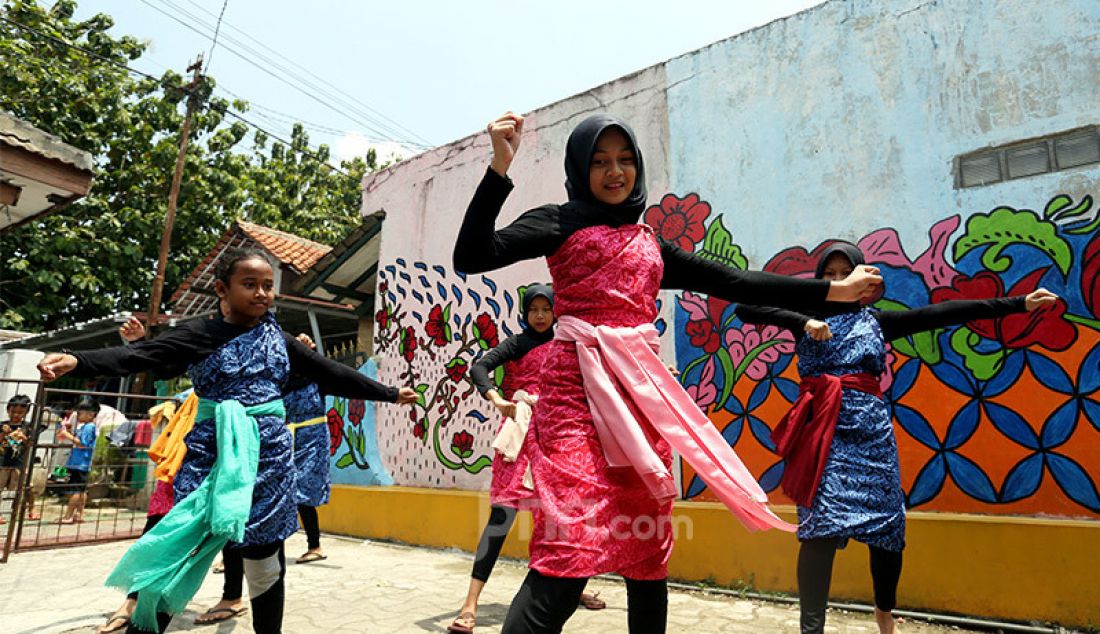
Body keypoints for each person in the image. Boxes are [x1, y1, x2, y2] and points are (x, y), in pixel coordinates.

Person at [452, 112, 882, 634]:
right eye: (601, 162)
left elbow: (736, 280)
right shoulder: (558, 222)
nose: (616, 172)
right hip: (574, 400)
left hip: (639, 398)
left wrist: (831, 292)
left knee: (647, 549)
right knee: (570, 546)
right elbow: (472, 255)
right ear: (579, 169)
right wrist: (499, 167)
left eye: (626, 160)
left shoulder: (648, 242)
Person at [37, 248, 418, 634]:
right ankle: (145, 624)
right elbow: (140, 355)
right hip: (211, 454)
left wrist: (388, 393)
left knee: (264, 551)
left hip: (268, 459)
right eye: (249, 284)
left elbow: (331, 372)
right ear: (222, 288)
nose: (261, 294)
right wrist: (77, 360)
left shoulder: (280, 340)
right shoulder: (198, 333)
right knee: (182, 544)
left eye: (268, 286)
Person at [735, 241, 1059, 634]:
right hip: (824, 432)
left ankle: (885, 616)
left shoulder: (876, 321)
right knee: (820, 530)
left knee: (887, 531)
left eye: (844, 272)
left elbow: (945, 312)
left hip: (871, 437)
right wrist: (803, 320)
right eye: (829, 274)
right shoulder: (807, 313)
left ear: (863, 279)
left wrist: (1019, 303)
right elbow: (745, 306)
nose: (838, 280)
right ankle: (812, 629)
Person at [447, 285, 604, 634]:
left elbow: (599, 372)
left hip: (558, 435)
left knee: (561, 518)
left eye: (545, 308)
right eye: (533, 309)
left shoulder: (567, 344)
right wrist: (497, 398)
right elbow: (480, 367)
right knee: (502, 517)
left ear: (555, 312)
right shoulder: (517, 344)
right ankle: (470, 604)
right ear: (525, 313)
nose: (539, 315)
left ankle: (567, 589)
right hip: (519, 434)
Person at [56, 396, 99, 524]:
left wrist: (66, 434)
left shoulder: (88, 427)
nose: (78, 415)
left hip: (79, 462)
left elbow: (82, 443)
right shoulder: (86, 426)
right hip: (81, 463)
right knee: (81, 490)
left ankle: (68, 516)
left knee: (74, 490)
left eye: (80, 413)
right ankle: (79, 514)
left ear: (91, 414)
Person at [0, 394, 39, 522]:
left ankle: (32, 509)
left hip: (20, 462)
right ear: (8, 410)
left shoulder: (27, 427)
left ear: (26, 412)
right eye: (13, 411)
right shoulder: (2, 425)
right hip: (3, 462)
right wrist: (4, 434)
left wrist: (23, 437)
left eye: (20, 412)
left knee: (27, 487)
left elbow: (31, 444)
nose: (16, 415)